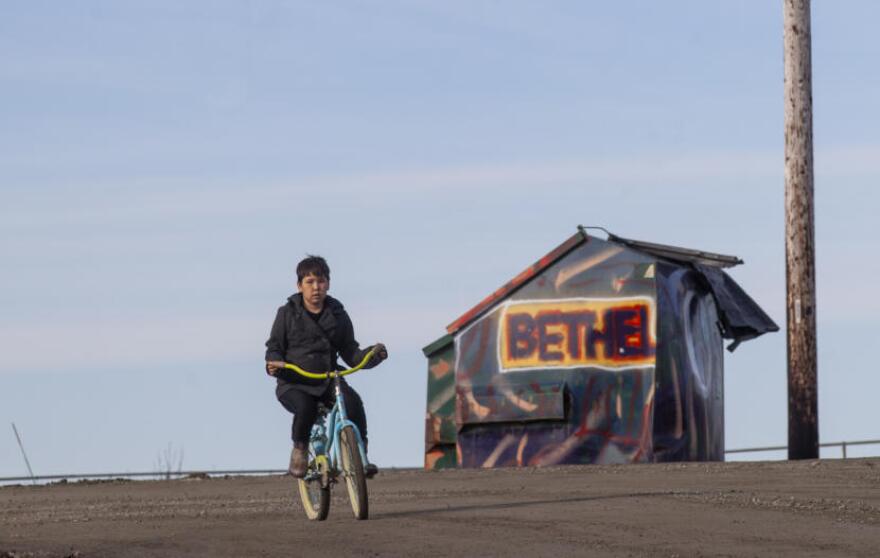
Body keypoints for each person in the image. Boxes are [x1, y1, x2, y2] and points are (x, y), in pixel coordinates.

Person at [265, 255, 387, 478]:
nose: (316, 288)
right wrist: (274, 363)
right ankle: (300, 450)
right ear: (299, 285)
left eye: (320, 282)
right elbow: (274, 347)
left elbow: (351, 352)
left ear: (328, 283)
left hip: (328, 378)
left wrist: (372, 355)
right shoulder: (287, 313)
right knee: (306, 408)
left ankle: (360, 456)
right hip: (294, 382)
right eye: (309, 282)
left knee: (353, 402)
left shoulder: (338, 315)